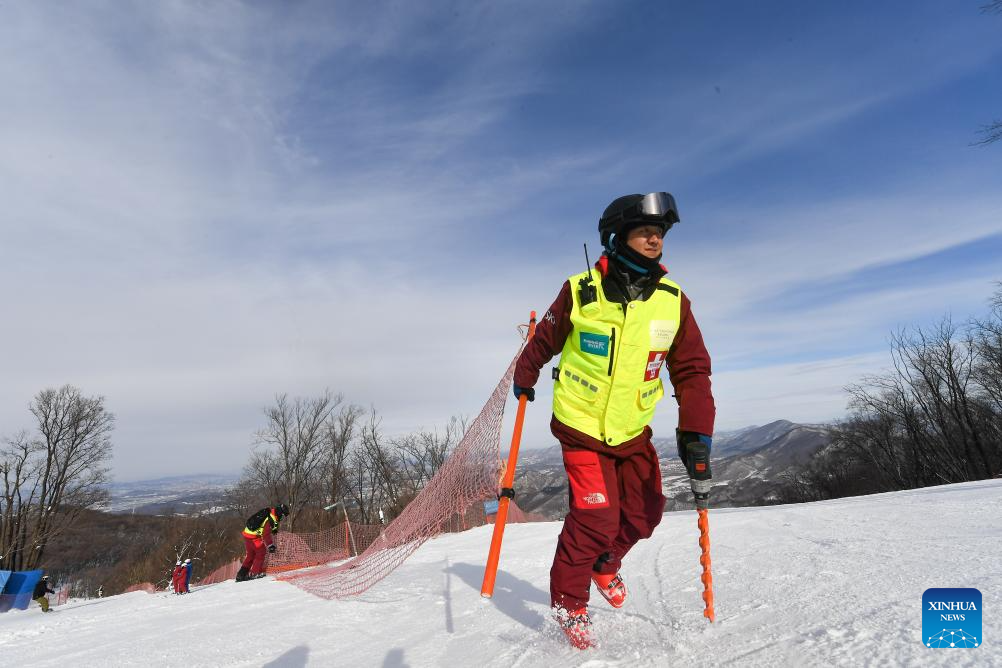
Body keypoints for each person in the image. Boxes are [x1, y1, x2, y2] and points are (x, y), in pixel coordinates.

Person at [513, 192, 715, 649]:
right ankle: (570, 603)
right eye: (644, 230)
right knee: (595, 518)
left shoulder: (673, 301)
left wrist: (696, 430)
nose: (654, 239)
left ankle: (606, 563)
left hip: (631, 430)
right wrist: (526, 374)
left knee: (646, 513)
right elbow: (546, 336)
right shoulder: (581, 290)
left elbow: (691, 370)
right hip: (581, 426)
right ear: (616, 236)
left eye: (660, 232)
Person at [235, 503, 289, 582]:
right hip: (253, 537)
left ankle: (241, 575)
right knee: (261, 551)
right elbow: (266, 534)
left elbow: (273, 524)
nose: (283, 517)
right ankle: (255, 573)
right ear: (280, 513)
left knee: (250, 555)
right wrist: (270, 545)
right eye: (283, 515)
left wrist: (274, 529)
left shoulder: (271, 512)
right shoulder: (271, 519)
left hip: (247, 534)